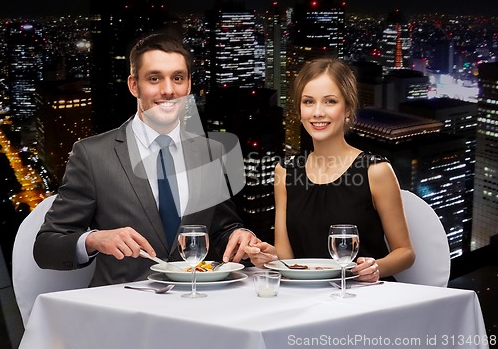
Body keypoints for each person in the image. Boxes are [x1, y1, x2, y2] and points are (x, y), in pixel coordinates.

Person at [33, 32, 259, 286]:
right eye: (154, 79)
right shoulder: (92, 154)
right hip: (123, 312)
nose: (168, 90)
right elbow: (46, 247)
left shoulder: (210, 152)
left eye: (177, 78)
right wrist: (94, 239)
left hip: (197, 305)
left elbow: (221, 230)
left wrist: (241, 236)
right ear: (133, 85)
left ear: (189, 85)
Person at [246, 58, 415, 282]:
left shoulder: (376, 170)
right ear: (299, 109)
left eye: (330, 101)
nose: (317, 112)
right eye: (308, 102)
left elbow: (405, 253)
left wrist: (375, 267)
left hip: (365, 296)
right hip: (308, 295)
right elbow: (287, 256)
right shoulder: (285, 171)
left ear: (347, 108)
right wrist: (270, 257)